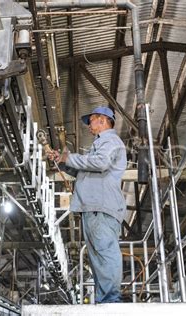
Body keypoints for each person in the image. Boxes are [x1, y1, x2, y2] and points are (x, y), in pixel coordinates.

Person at [49, 106, 127, 303]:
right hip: (92, 208)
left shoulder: (109, 140)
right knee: (96, 258)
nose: (89, 126)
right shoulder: (99, 145)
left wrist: (70, 157)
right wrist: (63, 161)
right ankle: (105, 300)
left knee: (104, 251)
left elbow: (100, 163)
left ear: (102, 120)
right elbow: (85, 170)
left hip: (100, 207)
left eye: (91, 121)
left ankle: (111, 300)